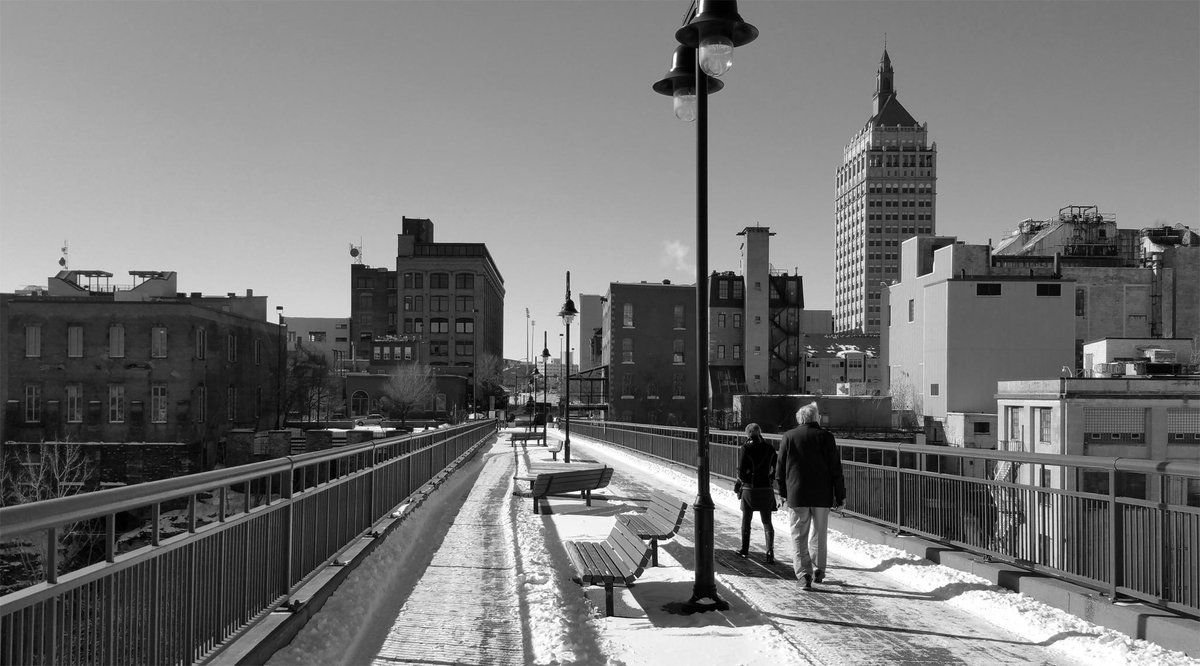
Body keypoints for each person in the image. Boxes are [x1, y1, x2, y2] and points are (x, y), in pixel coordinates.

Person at [776, 402, 845, 590]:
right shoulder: (827, 437)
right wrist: (840, 495)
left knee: (798, 534)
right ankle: (819, 570)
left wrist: (782, 492)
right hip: (822, 494)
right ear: (815, 418)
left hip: (797, 494)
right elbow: (835, 469)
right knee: (820, 533)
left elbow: (780, 468)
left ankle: (803, 574)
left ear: (800, 418)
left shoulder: (789, 437)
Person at [736, 423, 778, 563]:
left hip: (750, 489)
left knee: (746, 519)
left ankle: (744, 549)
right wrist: (770, 479)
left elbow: (741, 470)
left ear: (748, 434)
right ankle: (770, 551)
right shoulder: (770, 448)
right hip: (766, 489)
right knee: (767, 521)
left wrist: (743, 481)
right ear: (760, 432)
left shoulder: (746, 448)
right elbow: (775, 468)